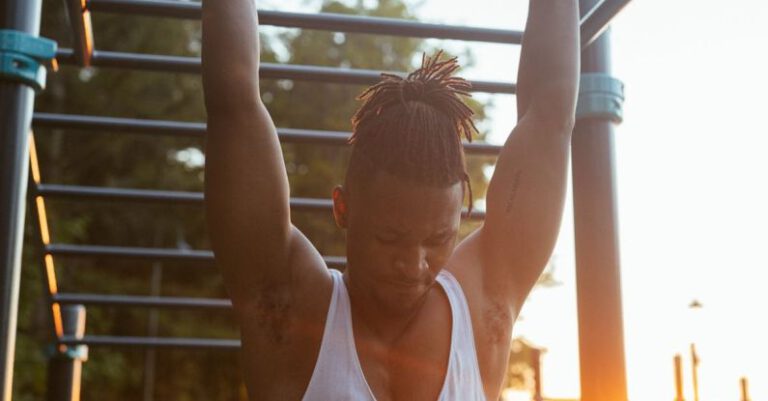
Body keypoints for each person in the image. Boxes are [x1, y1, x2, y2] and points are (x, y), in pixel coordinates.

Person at [202, 0, 579, 400]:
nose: (413, 264)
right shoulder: (288, 309)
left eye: (437, 240)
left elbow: (551, 115)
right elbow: (234, 100)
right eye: (390, 238)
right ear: (342, 209)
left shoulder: (486, 306)